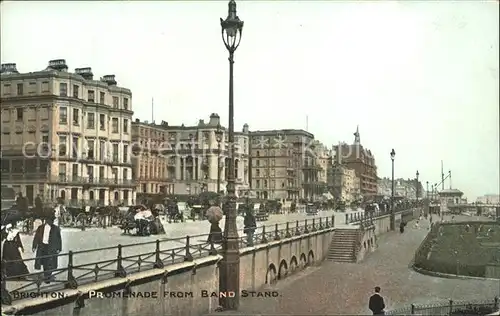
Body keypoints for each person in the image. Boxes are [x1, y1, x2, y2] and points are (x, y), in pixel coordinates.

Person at [32, 216, 62, 283]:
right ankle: (47, 276)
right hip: (42, 247)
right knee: (45, 262)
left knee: (50, 263)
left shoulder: (56, 228)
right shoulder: (40, 228)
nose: (50, 221)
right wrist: (34, 246)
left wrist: (59, 248)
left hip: (51, 247)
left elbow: (59, 239)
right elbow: (36, 237)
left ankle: (47, 276)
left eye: (52, 220)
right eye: (49, 220)